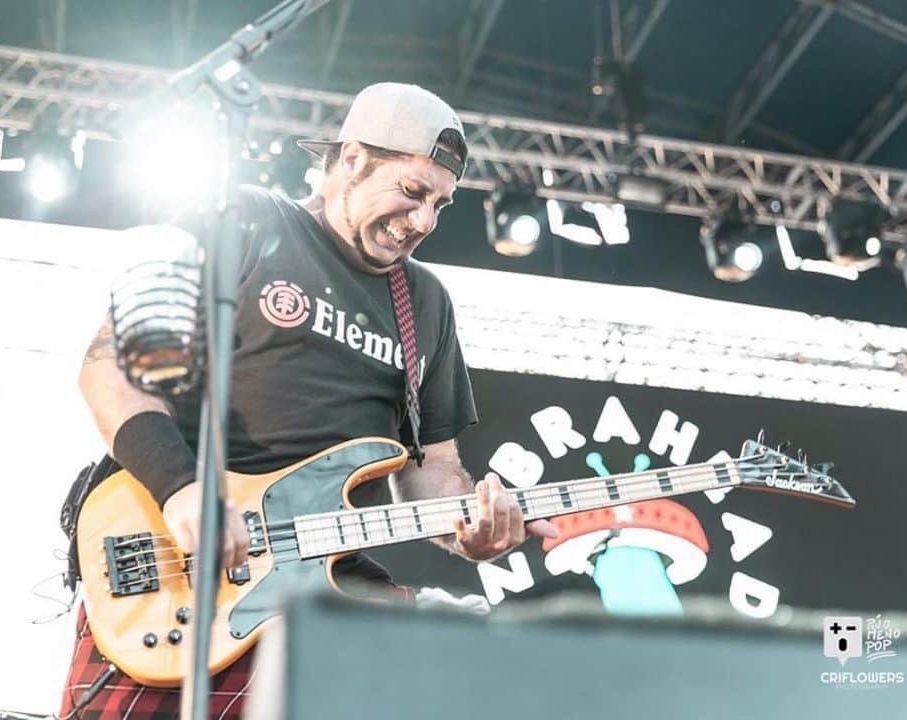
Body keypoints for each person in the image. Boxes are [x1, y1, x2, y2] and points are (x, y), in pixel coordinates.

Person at [61, 82, 557, 719]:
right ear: (351, 159)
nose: (425, 221)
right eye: (411, 191)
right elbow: (109, 370)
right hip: (185, 574)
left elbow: (429, 468)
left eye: (441, 203)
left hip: (327, 596)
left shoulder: (425, 305)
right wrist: (182, 490)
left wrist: (472, 531)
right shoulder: (242, 219)